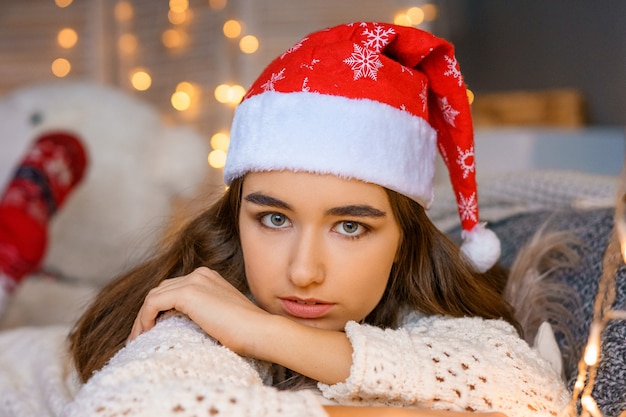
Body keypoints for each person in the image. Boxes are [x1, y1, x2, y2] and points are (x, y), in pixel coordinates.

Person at [61, 22, 571, 416]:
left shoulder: (419, 317)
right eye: (274, 219)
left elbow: (534, 396)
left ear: (405, 239)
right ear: (235, 217)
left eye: (350, 226)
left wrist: (259, 331)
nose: (304, 272)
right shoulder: (192, 312)